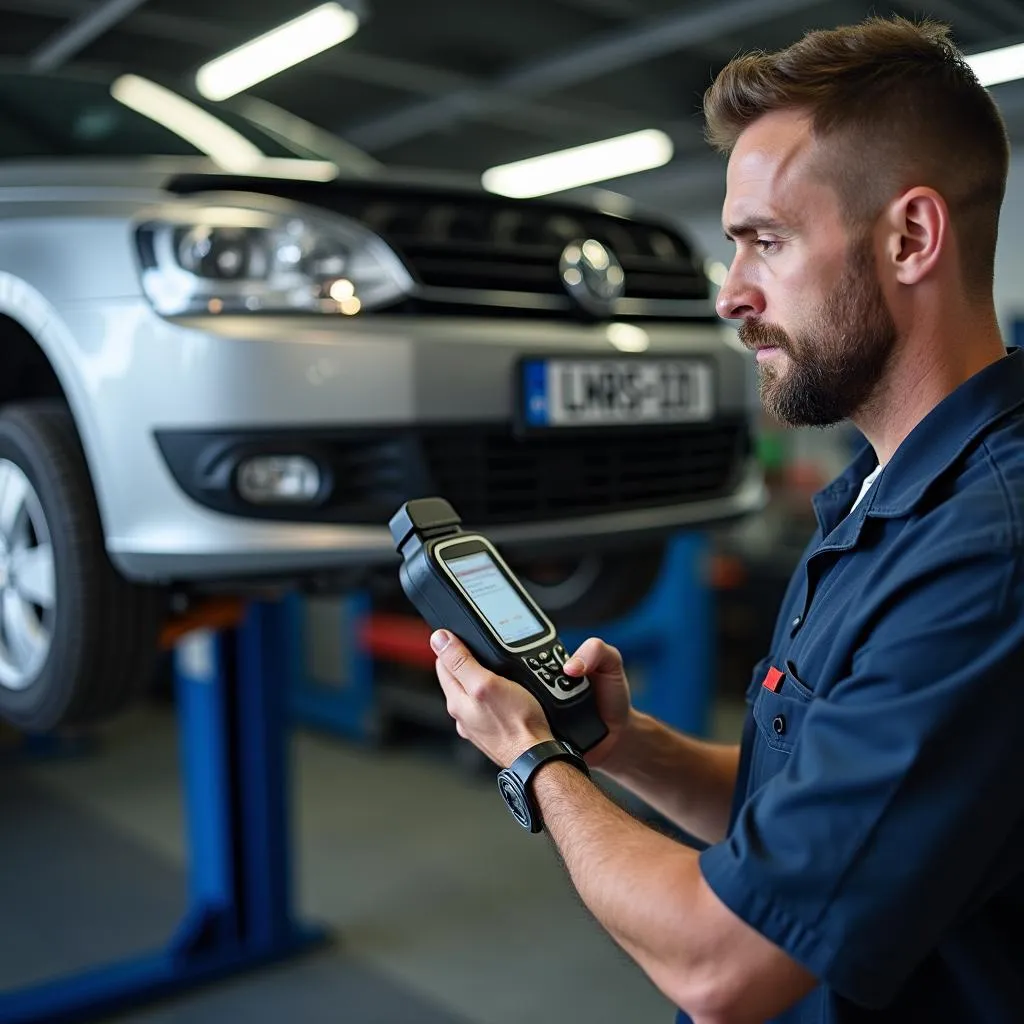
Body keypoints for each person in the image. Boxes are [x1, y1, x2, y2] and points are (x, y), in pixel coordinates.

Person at [429, 16, 1024, 1023]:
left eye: (767, 241)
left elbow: (725, 964)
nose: (732, 294)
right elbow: (794, 816)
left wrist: (532, 764)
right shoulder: (881, 497)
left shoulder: (988, 550)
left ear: (911, 238)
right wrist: (621, 747)